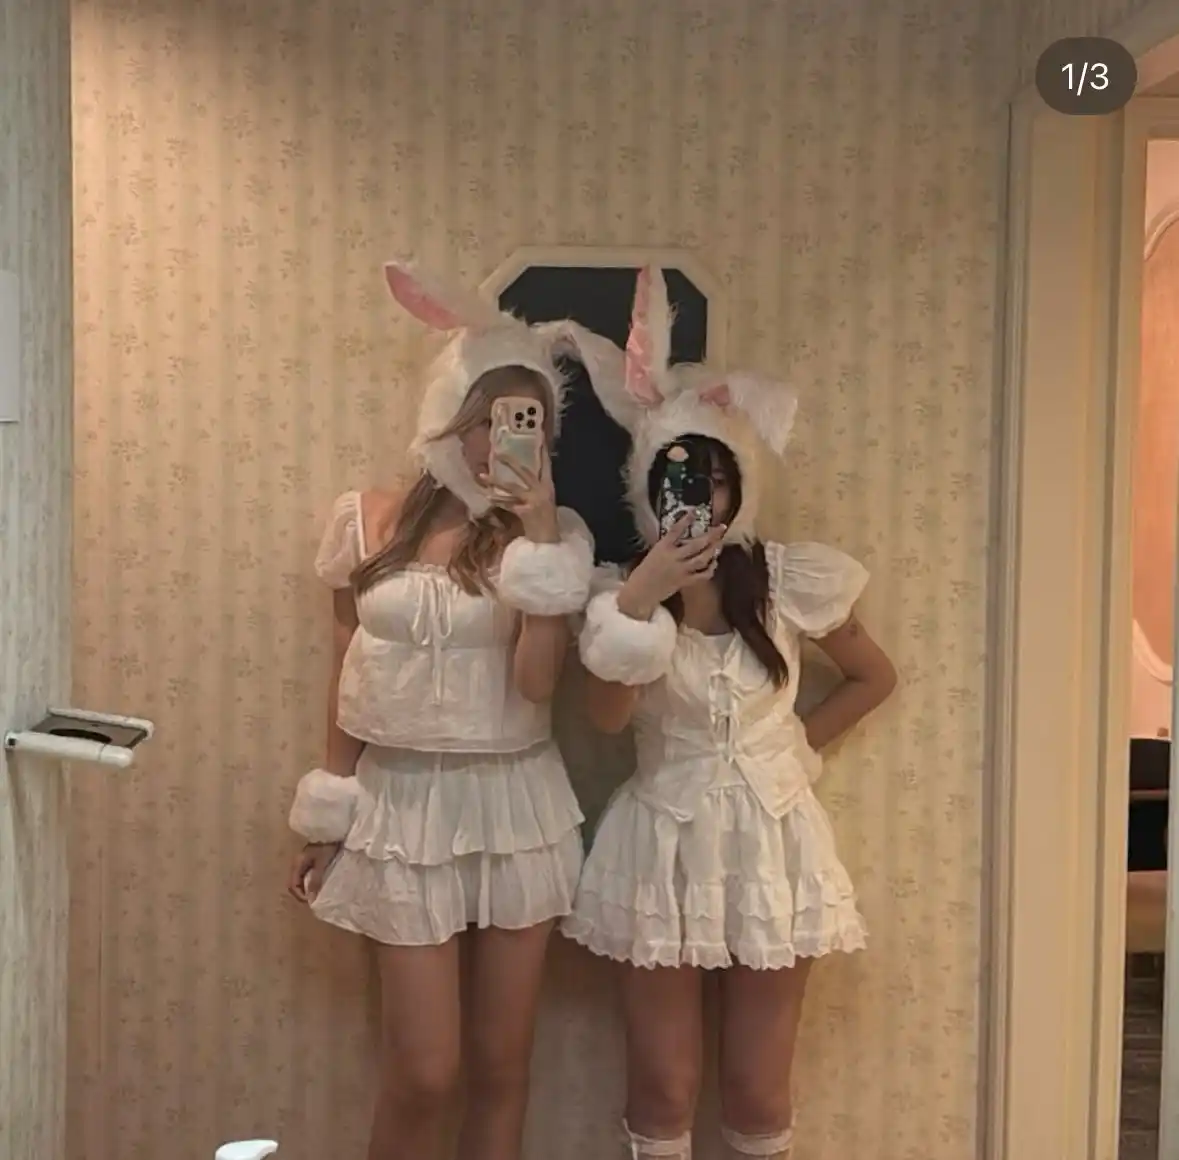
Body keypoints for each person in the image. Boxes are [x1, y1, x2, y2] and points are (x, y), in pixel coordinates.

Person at [563, 267, 898, 1159]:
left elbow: (872, 677)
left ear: (736, 487)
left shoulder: (783, 579)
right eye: (678, 480)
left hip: (772, 843)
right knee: (664, 1086)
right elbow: (604, 718)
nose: (698, 498)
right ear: (647, 490)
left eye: (713, 480)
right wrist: (641, 598)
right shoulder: (617, 594)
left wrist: (794, 751)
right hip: (660, 845)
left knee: (756, 1089)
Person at [285, 258, 609, 1160]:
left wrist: (539, 541)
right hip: (399, 804)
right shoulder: (368, 520)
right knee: (423, 1071)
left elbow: (538, 686)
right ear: (447, 418)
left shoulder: (556, 538)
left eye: (524, 425)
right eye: (486, 421)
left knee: (501, 1068)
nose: (497, 444)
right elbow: (347, 666)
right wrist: (329, 811)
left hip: (513, 804)